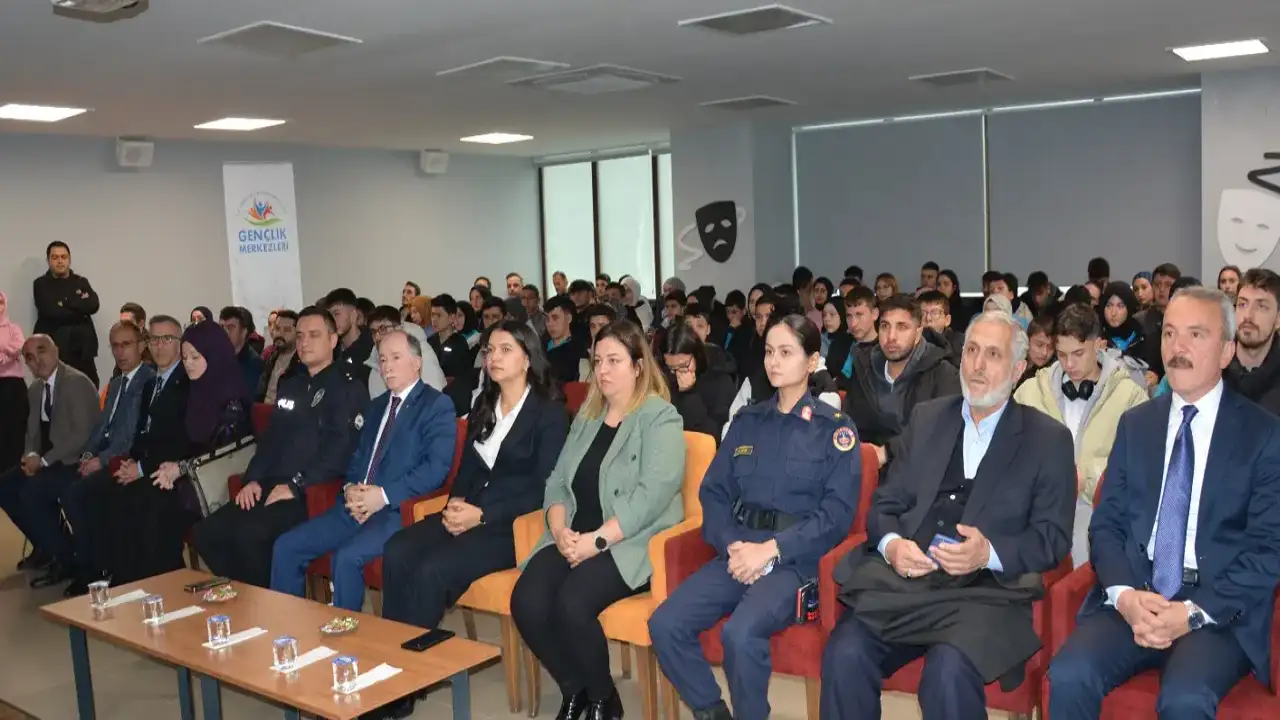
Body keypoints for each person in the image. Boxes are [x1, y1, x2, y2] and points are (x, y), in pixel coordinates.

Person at [822, 309, 1076, 720]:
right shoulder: (928, 418)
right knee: (844, 653)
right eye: (971, 351)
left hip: (983, 594)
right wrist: (893, 546)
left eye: (993, 354)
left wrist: (987, 552)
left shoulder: (1048, 440)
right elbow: (886, 504)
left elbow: (1052, 539)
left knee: (946, 674)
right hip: (905, 584)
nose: (977, 365)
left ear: (1017, 370)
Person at [1047, 287, 1280, 719]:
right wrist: (1124, 597)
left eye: (1195, 334)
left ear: (1227, 351)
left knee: (1184, 700)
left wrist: (1190, 613)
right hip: (1137, 594)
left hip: (1215, 609)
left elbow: (1268, 550)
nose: (1177, 347)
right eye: (1170, 333)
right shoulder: (1137, 425)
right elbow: (1107, 524)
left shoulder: (1263, 435)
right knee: (1068, 674)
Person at [650, 315, 860, 720]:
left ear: (811, 360)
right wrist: (732, 544)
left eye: (786, 352)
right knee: (666, 623)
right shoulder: (748, 422)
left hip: (794, 560)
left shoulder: (833, 429)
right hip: (739, 548)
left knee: (741, 633)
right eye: (768, 352)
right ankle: (711, 711)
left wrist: (772, 550)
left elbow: (836, 516)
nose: (773, 361)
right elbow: (714, 491)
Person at [374, 322, 567, 719]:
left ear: (527, 358)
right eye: (489, 350)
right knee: (398, 549)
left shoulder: (549, 413)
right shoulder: (485, 404)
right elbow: (467, 470)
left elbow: (544, 488)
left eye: (505, 350)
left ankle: (404, 684)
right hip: (470, 511)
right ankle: (394, 660)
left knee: (432, 569)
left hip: (512, 524)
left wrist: (483, 515)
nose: (494, 357)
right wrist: (456, 506)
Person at [511, 320, 686, 720]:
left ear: (638, 366)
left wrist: (597, 541)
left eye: (614, 360)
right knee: (527, 601)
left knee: (572, 602)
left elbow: (651, 496)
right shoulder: (588, 416)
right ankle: (576, 688)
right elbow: (557, 481)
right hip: (575, 533)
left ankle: (604, 700)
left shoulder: (660, 417)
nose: (602, 370)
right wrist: (559, 530)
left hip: (629, 541)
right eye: (597, 361)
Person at [270, 330, 456, 611]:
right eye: (383, 359)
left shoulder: (436, 405)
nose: (387, 366)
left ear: (416, 363)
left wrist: (382, 496)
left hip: (398, 510)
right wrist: (350, 489)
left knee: (345, 558)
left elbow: (435, 470)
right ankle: (286, 627)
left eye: (395, 358)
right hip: (354, 505)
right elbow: (358, 458)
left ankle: (346, 633)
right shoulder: (377, 405)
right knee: (286, 547)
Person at [191, 307, 369, 588]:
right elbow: (271, 439)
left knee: (250, 534)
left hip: (311, 491)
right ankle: (249, 596)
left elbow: (340, 451)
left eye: (314, 335)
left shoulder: (347, 387)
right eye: (300, 335)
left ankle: (265, 603)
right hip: (272, 484)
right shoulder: (292, 385)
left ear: (333, 340)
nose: (304, 342)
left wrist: (296, 485)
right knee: (207, 533)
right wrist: (252, 479)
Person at [99, 320, 252, 584]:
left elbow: (223, 453)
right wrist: (172, 467)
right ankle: (134, 582)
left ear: (213, 355)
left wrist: (180, 468)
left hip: (217, 483)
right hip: (188, 474)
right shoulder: (193, 390)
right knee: (132, 497)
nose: (188, 364)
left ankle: (162, 584)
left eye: (195, 357)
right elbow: (182, 442)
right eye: (185, 357)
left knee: (154, 505)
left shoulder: (230, 398)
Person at [1013, 304, 1147, 566]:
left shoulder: (1130, 397)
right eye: (1062, 355)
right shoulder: (1029, 392)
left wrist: (1088, 479)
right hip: (1036, 524)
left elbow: (1142, 471)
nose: (1070, 364)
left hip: (1101, 527)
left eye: (1078, 353)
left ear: (1098, 345)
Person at [29, 322, 156, 593]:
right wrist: (88, 454)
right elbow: (100, 427)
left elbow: (128, 436)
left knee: (76, 495)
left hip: (124, 459)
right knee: (55, 487)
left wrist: (101, 460)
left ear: (141, 345)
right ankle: (82, 560)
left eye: (126, 345)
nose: (120, 352)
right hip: (102, 456)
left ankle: (94, 568)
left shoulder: (147, 380)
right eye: (115, 346)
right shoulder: (117, 383)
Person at [0, 335, 98, 578]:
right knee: (6, 486)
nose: (38, 360)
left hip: (77, 460)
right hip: (51, 461)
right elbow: (31, 432)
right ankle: (46, 545)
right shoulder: (35, 389)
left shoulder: (76, 382)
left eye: (42, 351)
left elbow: (82, 435)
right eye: (30, 357)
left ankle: (67, 558)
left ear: (56, 351)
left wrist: (43, 461)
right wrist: (30, 456)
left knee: (31, 492)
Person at [842, 294, 961, 468]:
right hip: (867, 467)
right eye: (885, 326)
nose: (891, 336)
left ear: (918, 333)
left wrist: (888, 452)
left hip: (920, 471)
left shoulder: (943, 374)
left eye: (902, 327)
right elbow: (851, 424)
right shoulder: (864, 368)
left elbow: (942, 432)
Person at [33, 241, 100, 386]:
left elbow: (94, 304)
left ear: (69, 259)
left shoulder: (81, 282)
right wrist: (80, 308)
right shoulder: (41, 284)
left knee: (90, 388)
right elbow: (51, 311)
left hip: (83, 352)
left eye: (63, 257)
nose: (60, 261)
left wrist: (64, 303)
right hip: (56, 352)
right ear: (48, 260)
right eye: (55, 257)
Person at [660, 324, 736, 440]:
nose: (678, 373)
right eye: (672, 367)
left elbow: (716, 435)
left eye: (683, 365)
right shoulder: (667, 378)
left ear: (696, 355)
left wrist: (689, 394)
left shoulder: (720, 382)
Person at [1225, 268, 1280, 416]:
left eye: (1261, 306)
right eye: (1242, 304)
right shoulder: (1213, 365)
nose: (1248, 316)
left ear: (1278, 319)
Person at [366, 305, 446, 395]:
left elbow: (433, 397)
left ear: (399, 328)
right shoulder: (375, 365)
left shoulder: (421, 355)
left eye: (383, 329)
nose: (377, 337)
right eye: (373, 332)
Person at [0, 291, 28, 474]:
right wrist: (7, 354)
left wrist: (4, 356)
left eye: (0, 302)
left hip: (13, 386)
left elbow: (20, 346)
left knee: (14, 432)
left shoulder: (13, 328)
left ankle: (12, 475)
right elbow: (11, 351)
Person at [325, 288, 375, 384]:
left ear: (353, 315)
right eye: (329, 316)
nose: (332, 320)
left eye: (337, 314)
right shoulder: (331, 352)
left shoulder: (372, 348)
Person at [257, 309, 301, 404]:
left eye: (287, 330)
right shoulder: (270, 358)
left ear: (297, 334)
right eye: (277, 328)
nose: (280, 334)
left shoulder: (302, 364)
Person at [427, 294, 473, 384]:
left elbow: (463, 375)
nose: (434, 319)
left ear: (451, 317)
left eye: (439, 315)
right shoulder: (430, 341)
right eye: (432, 315)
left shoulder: (460, 343)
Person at [218, 306, 263, 395]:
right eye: (221, 327)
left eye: (230, 328)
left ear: (243, 332)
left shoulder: (254, 363)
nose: (225, 332)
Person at [543, 295, 586, 386]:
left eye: (555, 318)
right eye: (547, 319)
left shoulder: (578, 352)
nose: (550, 324)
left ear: (569, 318)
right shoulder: (539, 346)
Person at [919, 290, 964, 363]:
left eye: (935, 313)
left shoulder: (959, 342)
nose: (928, 318)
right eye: (922, 313)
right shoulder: (910, 342)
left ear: (947, 320)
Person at [1019, 315, 1056, 388]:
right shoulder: (1014, 363)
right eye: (1039, 345)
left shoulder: (1054, 372)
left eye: (1051, 347)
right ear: (1028, 341)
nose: (1044, 353)